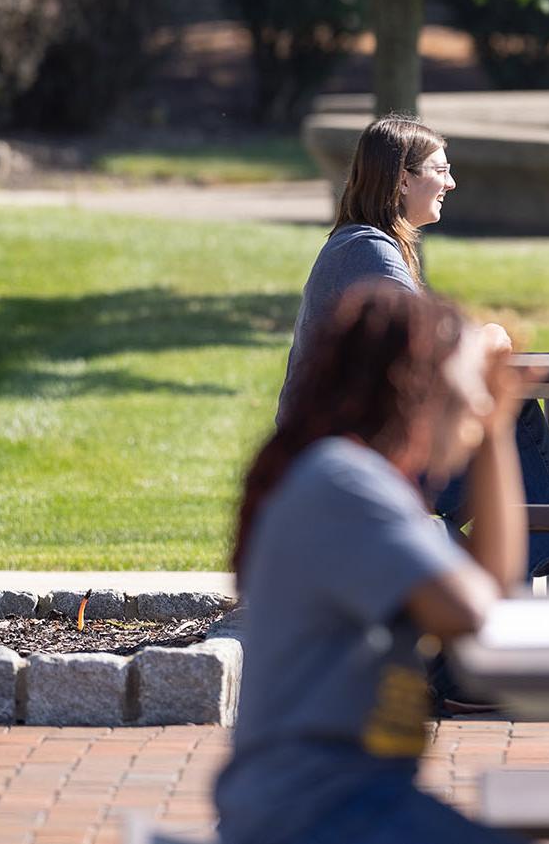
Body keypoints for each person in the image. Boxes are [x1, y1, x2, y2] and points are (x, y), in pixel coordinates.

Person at [279, 115, 549, 590]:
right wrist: (486, 335)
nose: (451, 182)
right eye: (440, 169)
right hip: (355, 455)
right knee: (510, 407)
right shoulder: (367, 248)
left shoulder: (364, 244)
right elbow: (428, 354)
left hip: (357, 446)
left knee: (501, 426)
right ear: (403, 179)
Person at [218, 285, 532, 844]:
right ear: (417, 387)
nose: (476, 403)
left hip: (351, 798)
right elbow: (471, 609)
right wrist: (491, 429)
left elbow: (492, 589)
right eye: (468, 388)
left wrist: (494, 432)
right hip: (311, 812)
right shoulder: (344, 483)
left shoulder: (364, 481)